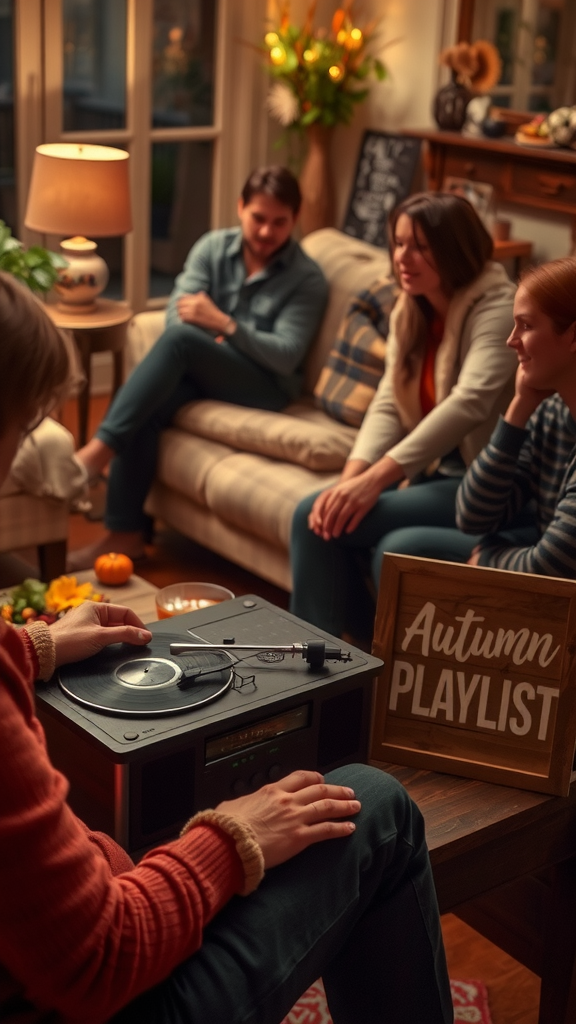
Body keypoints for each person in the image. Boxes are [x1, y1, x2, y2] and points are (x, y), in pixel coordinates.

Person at [0, 270, 453, 1023]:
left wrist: (32, 645)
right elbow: (103, 961)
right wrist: (235, 834)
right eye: (17, 431)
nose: (15, 461)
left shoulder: (303, 280)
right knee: (378, 802)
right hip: (112, 998)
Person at [68, 165, 329, 570]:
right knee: (150, 404)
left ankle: (93, 456)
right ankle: (124, 537)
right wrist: (212, 345)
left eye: (279, 222)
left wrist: (224, 325)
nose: (265, 232)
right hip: (208, 368)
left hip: (265, 386)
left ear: (294, 219)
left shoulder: (307, 278)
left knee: (181, 344)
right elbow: (178, 314)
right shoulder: (212, 248)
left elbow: (285, 354)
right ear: (241, 207)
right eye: (258, 218)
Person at [290, 191, 517, 638]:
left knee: (311, 519)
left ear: (453, 248)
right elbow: (389, 400)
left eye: (420, 246)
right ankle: (335, 661)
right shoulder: (410, 308)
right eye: (397, 243)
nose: (402, 258)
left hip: (485, 481)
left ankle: (330, 666)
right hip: (434, 474)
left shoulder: (499, 306)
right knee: (323, 513)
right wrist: (351, 479)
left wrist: (375, 481)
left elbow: (470, 401)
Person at [450, 256, 576, 574]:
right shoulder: (552, 411)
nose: (511, 340)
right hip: (542, 549)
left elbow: (550, 567)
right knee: (401, 545)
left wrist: (490, 559)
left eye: (527, 325)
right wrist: (519, 407)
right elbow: (472, 517)